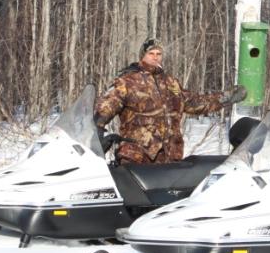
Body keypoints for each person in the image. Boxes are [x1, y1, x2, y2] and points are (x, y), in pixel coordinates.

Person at [94, 38, 246, 164]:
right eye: (151, 53)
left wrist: (224, 98)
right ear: (142, 56)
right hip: (137, 155)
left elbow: (193, 102)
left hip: (169, 156)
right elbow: (105, 107)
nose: (155, 57)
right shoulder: (127, 81)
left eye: (158, 53)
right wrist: (97, 130)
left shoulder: (170, 82)